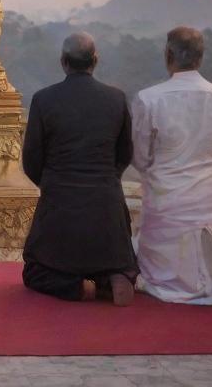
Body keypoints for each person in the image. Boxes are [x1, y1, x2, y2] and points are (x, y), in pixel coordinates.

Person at [21, 32, 137, 304]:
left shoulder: (43, 100)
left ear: (63, 62)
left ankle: (75, 287)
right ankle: (114, 277)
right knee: (118, 261)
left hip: (60, 207)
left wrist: (53, 183)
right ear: (95, 61)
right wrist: (106, 180)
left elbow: (31, 161)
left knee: (35, 271)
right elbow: (124, 154)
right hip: (107, 211)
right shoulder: (116, 99)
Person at [132, 26, 212, 305]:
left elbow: (141, 158)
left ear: (168, 55)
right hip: (210, 200)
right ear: (201, 59)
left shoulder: (148, 98)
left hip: (166, 202)